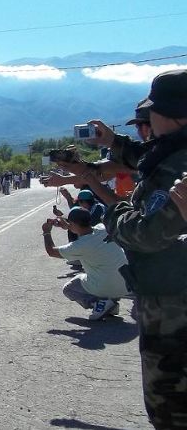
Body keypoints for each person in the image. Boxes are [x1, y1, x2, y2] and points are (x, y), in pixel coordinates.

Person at [82, 70, 187, 428]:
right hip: (168, 297)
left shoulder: (178, 164)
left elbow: (147, 234)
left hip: (174, 309)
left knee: (171, 409)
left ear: (172, 114)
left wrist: (114, 210)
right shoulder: (171, 151)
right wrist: (113, 141)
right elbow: (144, 156)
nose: (147, 121)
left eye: (151, 113)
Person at [41, 206, 129, 320]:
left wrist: (46, 232)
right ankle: (111, 304)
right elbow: (83, 231)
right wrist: (68, 226)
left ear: (73, 223)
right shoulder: (103, 228)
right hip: (126, 284)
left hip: (108, 286)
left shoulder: (80, 246)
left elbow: (51, 251)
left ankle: (99, 305)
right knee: (93, 276)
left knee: (69, 289)